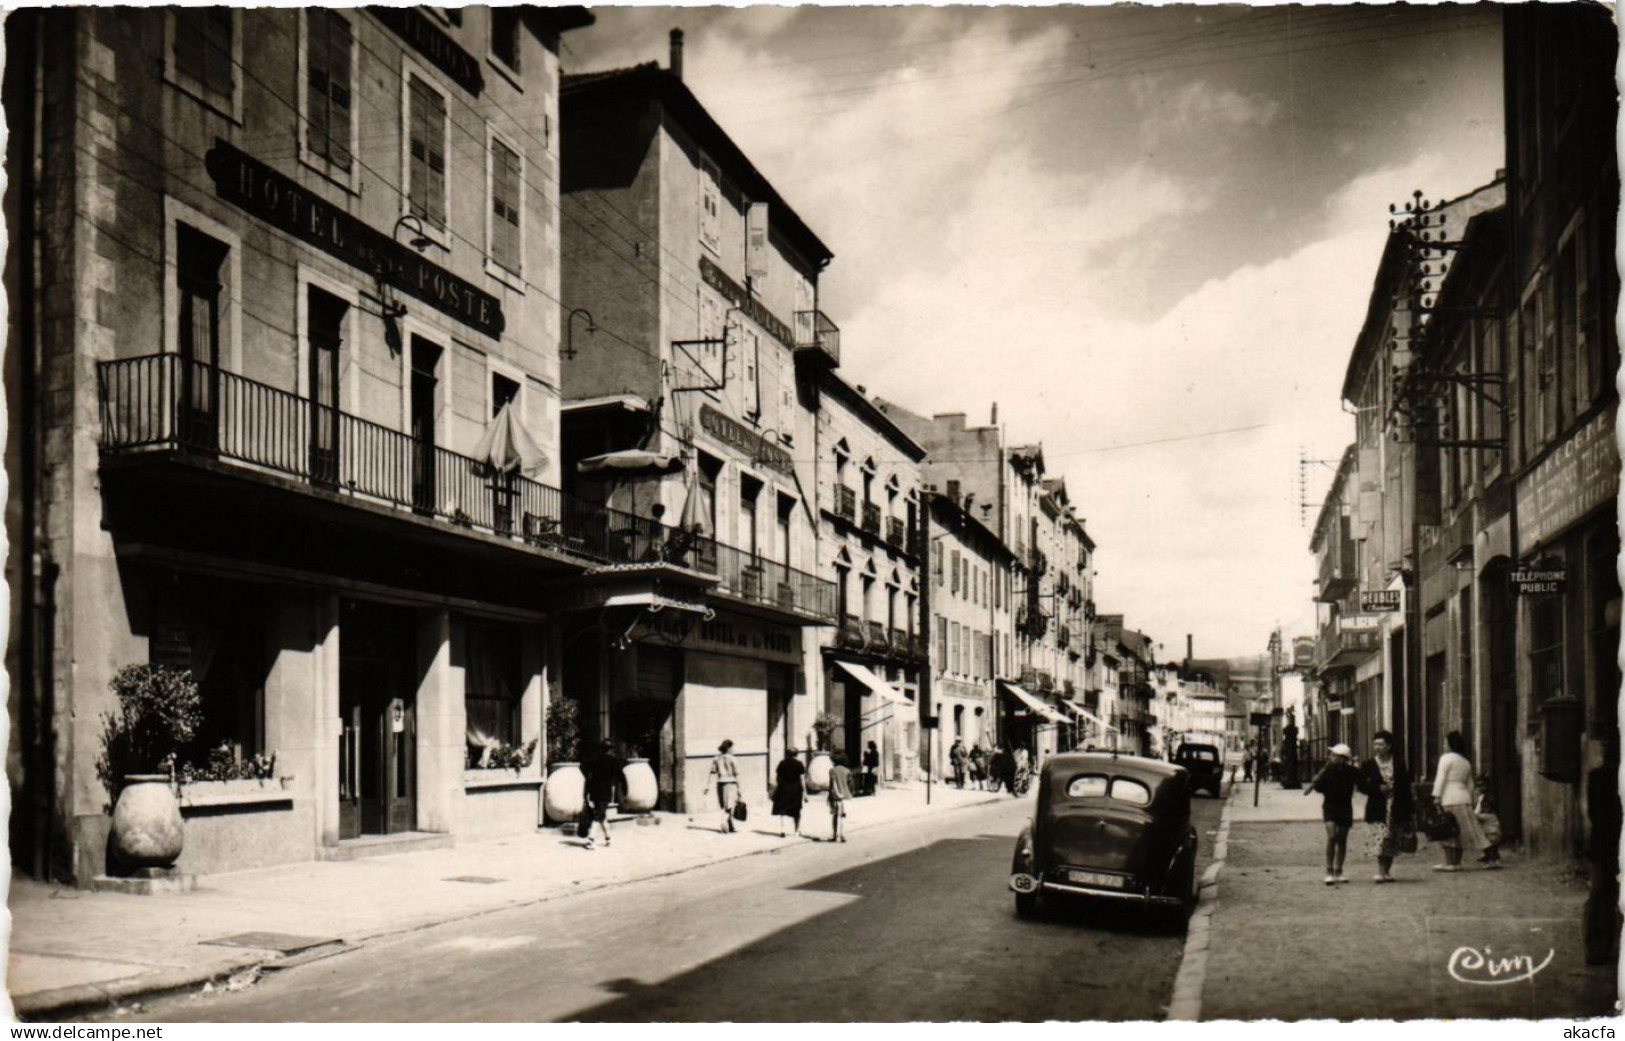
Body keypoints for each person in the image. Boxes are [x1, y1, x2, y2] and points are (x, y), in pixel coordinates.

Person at [1432, 730, 1495, 871]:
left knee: (1448, 829)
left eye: (1445, 742)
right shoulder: (1465, 761)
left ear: (1449, 744)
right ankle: (1458, 862)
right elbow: (1470, 784)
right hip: (1463, 798)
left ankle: (1450, 862)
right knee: (1461, 830)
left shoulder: (1446, 758)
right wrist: (1470, 800)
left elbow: (1440, 778)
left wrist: (1437, 796)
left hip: (1449, 798)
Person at [1357, 730, 1414, 883]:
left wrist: (1409, 809)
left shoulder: (1399, 763)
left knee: (1391, 839)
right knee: (1381, 839)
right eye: (1375, 744)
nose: (1377, 747)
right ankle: (1380, 871)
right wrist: (1377, 788)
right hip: (1377, 807)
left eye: (1381, 744)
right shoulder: (1368, 765)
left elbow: (1405, 785)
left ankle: (1387, 871)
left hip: (1396, 806)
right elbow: (1361, 785)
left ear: (1388, 746)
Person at [1305, 743, 1361, 884]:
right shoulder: (1327, 770)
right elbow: (1317, 786)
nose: (1330, 757)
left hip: (1345, 808)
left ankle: (1339, 871)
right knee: (1332, 836)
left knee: (1342, 839)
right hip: (1330, 806)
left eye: (1334, 755)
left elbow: (1362, 781)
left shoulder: (1352, 771)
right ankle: (1329, 870)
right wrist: (1318, 782)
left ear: (1343, 758)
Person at [581, 739, 625, 851]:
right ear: (610, 749)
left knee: (601, 815)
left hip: (594, 791)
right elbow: (621, 775)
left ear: (601, 748)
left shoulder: (594, 759)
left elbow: (583, 767)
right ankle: (590, 841)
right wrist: (625, 788)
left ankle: (608, 838)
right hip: (605, 792)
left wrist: (589, 778)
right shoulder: (613, 761)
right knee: (599, 815)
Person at [702, 739, 741, 834]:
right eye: (732, 747)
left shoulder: (716, 759)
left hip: (720, 783)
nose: (733, 749)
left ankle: (732, 826)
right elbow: (737, 774)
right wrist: (740, 789)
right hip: (731, 783)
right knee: (729, 806)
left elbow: (712, 772)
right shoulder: (733, 759)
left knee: (727, 805)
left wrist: (707, 785)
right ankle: (723, 823)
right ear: (729, 748)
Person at [771, 747, 807, 838]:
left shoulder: (782, 763)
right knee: (796, 810)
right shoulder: (799, 764)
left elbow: (778, 778)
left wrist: (777, 788)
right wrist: (805, 792)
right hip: (795, 789)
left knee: (782, 810)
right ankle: (797, 831)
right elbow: (802, 779)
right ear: (797, 754)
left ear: (787, 753)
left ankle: (782, 830)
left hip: (783, 788)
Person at [827, 751, 854, 842]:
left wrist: (831, 795)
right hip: (846, 796)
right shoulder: (847, 771)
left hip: (835, 796)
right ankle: (841, 834)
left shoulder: (832, 770)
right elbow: (851, 785)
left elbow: (832, 784)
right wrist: (850, 793)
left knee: (834, 816)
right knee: (842, 815)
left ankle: (834, 834)